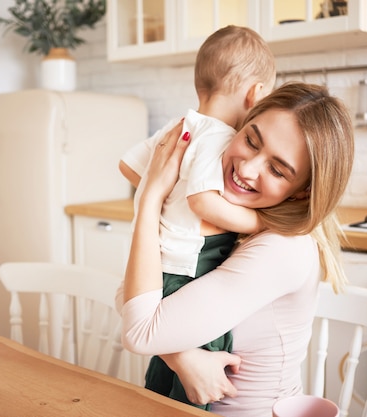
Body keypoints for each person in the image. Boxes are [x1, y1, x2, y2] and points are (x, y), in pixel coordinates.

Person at [117, 82, 355, 417]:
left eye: (276, 169)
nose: (246, 169)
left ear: (302, 192)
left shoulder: (283, 248)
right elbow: (133, 300)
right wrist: (186, 358)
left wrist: (151, 197)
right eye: (250, 141)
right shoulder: (229, 221)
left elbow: (139, 327)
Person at [118, 25, 276, 408]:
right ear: (255, 93)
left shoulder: (179, 126)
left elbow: (128, 167)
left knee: (163, 366)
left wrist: (162, 193)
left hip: (158, 263)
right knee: (200, 369)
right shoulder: (221, 137)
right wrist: (260, 222)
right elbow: (203, 203)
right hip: (190, 268)